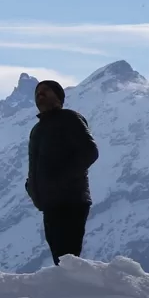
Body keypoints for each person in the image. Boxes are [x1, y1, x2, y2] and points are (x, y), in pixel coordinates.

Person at [24, 79, 99, 266]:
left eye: (45, 91)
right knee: (60, 258)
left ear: (58, 97)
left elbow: (90, 151)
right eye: (37, 92)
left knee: (67, 258)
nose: (40, 94)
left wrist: (61, 180)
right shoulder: (38, 129)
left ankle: (76, 293)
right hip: (50, 203)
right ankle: (68, 292)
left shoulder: (70, 119)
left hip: (71, 200)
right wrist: (32, 188)